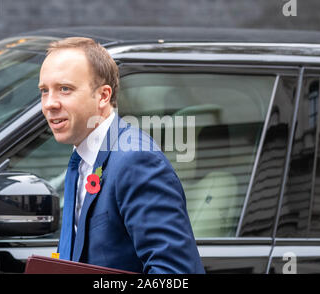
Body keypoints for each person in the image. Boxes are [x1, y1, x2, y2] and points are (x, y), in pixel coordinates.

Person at [38, 37, 204, 274]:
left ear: (103, 96)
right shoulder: (82, 158)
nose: (49, 103)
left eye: (65, 89)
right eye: (44, 91)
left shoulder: (136, 162)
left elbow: (176, 274)